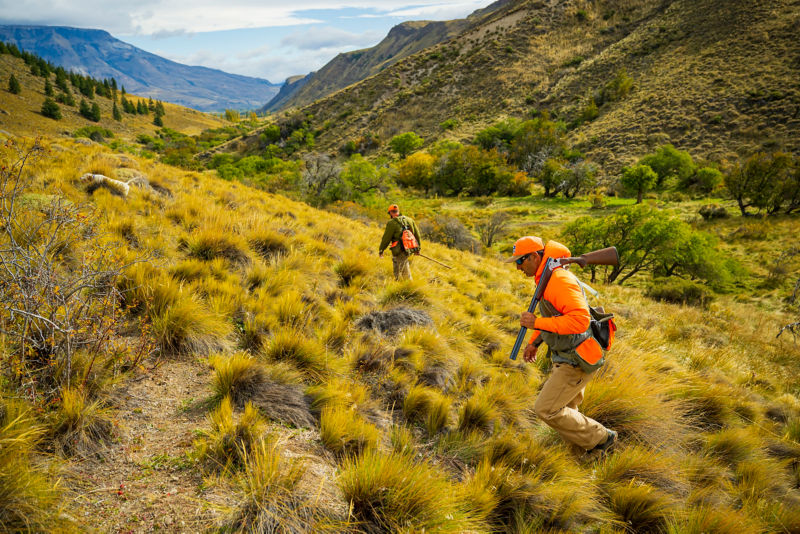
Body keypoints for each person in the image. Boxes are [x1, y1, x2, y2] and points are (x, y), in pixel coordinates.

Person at [506, 235, 617, 457]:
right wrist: (534, 341)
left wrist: (535, 323)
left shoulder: (558, 280)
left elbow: (579, 321)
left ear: (535, 257)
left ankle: (603, 438)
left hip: (575, 359)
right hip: (568, 354)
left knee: (546, 409)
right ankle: (585, 456)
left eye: (520, 261)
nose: (518, 268)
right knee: (568, 412)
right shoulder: (548, 277)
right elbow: (555, 315)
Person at [378, 204, 421, 280]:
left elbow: (386, 238)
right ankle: (398, 282)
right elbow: (417, 235)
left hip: (399, 249)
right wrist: (418, 249)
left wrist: (381, 250)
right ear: (398, 211)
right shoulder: (410, 220)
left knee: (405, 273)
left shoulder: (391, 223)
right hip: (409, 247)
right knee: (396, 263)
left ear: (390, 213)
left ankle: (410, 287)